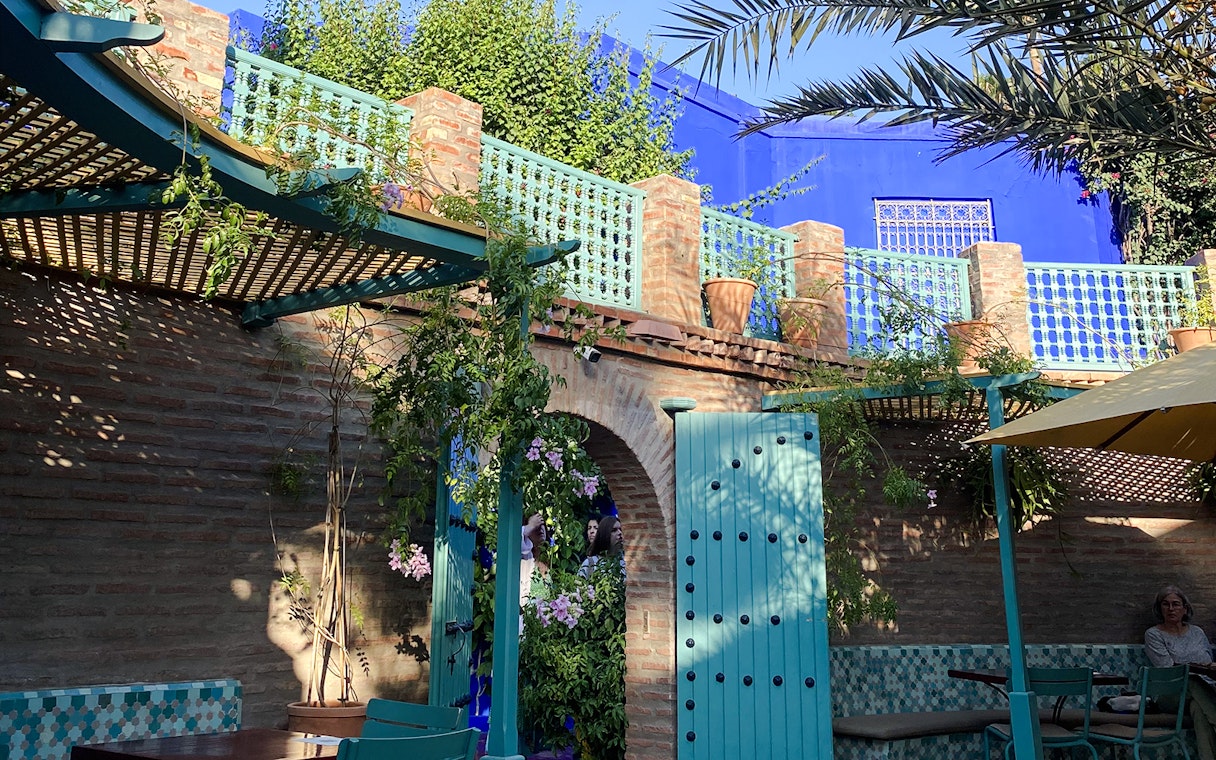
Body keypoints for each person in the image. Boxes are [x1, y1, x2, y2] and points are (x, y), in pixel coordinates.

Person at [1145, 585, 1216, 759]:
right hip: (1170, 694)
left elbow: (1208, 662)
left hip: (1202, 693)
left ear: (1185, 609)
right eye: (1165, 604)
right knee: (1192, 681)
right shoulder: (1154, 634)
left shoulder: (1197, 632)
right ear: (1159, 608)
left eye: (1176, 604)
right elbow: (1167, 669)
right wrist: (1196, 667)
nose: (1171, 609)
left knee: (1199, 710)